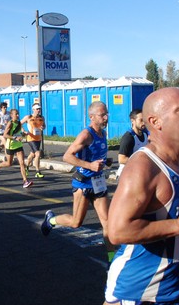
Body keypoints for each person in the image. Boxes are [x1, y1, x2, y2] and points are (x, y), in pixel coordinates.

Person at [58, 88, 179, 305]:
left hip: (178, 276)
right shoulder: (143, 168)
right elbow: (117, 231)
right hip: (140, 279)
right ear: (156, 122)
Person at [40, 101, 115, 262]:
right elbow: (67, 156)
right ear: (92, 117)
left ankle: (112, 260)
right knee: (76, 222)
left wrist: (104, 161)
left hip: (98, 181)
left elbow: (95, 156)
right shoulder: (86, 134)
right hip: (83, 183)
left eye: (106, 113)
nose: (106, 117)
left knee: (107, 222)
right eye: (102, 115)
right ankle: (51, 220)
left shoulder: (103, 134)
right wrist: (90, 165)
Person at [0, 109, 33, 188]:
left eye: (18, 114)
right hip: (10, 146)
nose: (18, 115)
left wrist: (24, 134)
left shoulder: (19, 123)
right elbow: (5, 135)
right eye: (16, 114)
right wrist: (15, 137)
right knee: (9, 163)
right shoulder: (10, 123)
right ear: (12, 115)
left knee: (22, 163)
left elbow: (19, 133)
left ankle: (25, 181)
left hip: (18, 146)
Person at [115, 109, 149, 179]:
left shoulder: (145, 135)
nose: (143, 123)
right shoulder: (128, 137)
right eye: (141, 120)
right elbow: (121, 159)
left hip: (138, 174)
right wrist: (140, 161)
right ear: (132, 121)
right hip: (125, 176)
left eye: (144, 120)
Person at [21, 103, 46, 178]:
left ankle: (26, 167)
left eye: (39, 109)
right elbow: (19, 123)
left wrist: (43, 127)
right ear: (33, 109)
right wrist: (23, 131)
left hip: (38, 138)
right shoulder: (28, 117)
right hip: (30, 138)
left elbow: (44, 125)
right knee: (37, 154)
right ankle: (38, 171)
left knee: (32, 154)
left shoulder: (42, 117)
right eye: (37, 109)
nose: (39, 110)